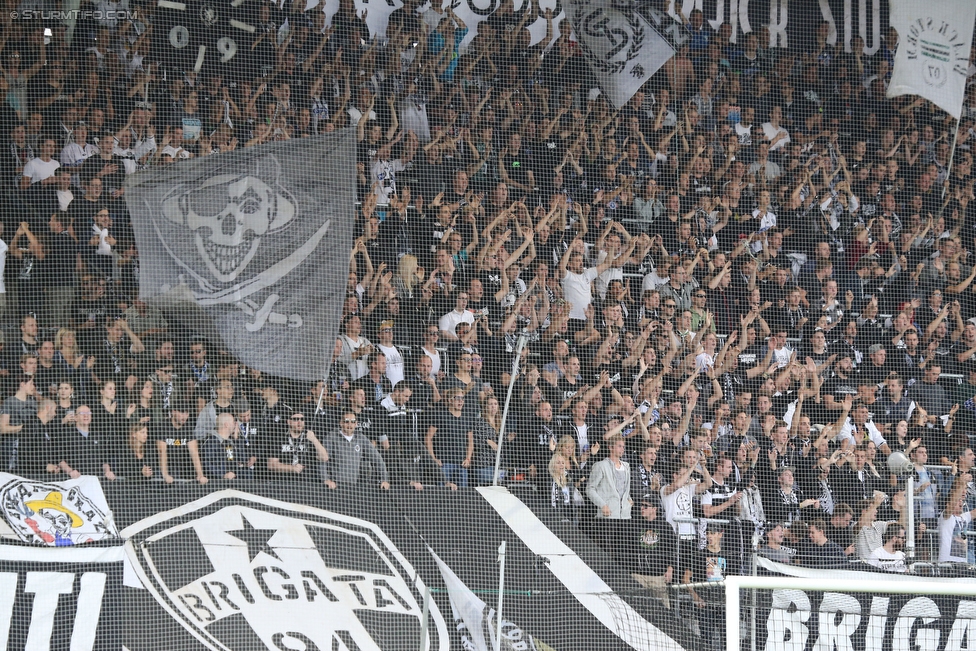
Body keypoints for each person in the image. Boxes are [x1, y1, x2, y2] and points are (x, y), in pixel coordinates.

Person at [321, 410, 389, 490]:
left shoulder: (360, 438)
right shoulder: (331, 437)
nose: (350, 425)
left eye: (353, 422)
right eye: (346, 422)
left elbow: (377, 459)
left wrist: (384, 479)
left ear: (356, 424)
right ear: (341, 423)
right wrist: (325, 479)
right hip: (334, 486)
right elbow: (322, 460)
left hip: (353, 487)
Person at [586, 434, 632, 548]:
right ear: (611, 447)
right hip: (607, 517)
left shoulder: (626, 466)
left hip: (625, 516)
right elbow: (590, 489)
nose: (622, 449)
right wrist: (602, 505)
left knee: (623, 553)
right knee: (606, 551)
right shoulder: (601, 465)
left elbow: (625, 488)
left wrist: (629, 499)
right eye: (619, 446)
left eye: (623, 446)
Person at [425, 388, 474, 487]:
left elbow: (470, 441)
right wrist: (433, 458)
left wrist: (468, 458)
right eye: (457, 398)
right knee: (443, 495)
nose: (461, 401)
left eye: (462, 398)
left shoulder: (467, 418)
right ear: (450, 400)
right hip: (444, 463)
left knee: (462, 495)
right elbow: (428, 438)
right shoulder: (440, 416)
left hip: (461, 464)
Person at [267, 409, 330, 481]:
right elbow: (271, 464)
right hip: (283, 482)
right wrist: (292, 468)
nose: (299, 422)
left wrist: (314, 440)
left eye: (302, 419)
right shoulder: (279, 438)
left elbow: (324, 458)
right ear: (288, 422)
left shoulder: (309, 437)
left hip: (306, 482)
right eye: (296, 419)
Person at [202, 412, 244, 480]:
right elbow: (206, 464)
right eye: (233, 422)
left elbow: (242, 460)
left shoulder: (230, 442)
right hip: (216, 484)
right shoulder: (212, 441)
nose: (236, 424)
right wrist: (223, 475)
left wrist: (236, 439)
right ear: (226, 425)